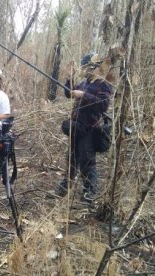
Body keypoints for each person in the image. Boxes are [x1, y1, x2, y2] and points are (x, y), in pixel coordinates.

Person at [55, 53, 111, 202]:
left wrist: (83, 95)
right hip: (76, 127)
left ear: (94, 67)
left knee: (87, 161)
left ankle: (90, 191)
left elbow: (103, 105)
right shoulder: (84, 82)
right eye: (83, 67)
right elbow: (69, 93)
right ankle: (65, 186)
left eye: (86, 67)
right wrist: (69, 79)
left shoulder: (103, 84)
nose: (84, 70)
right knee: (71, 158)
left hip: (90, 129)